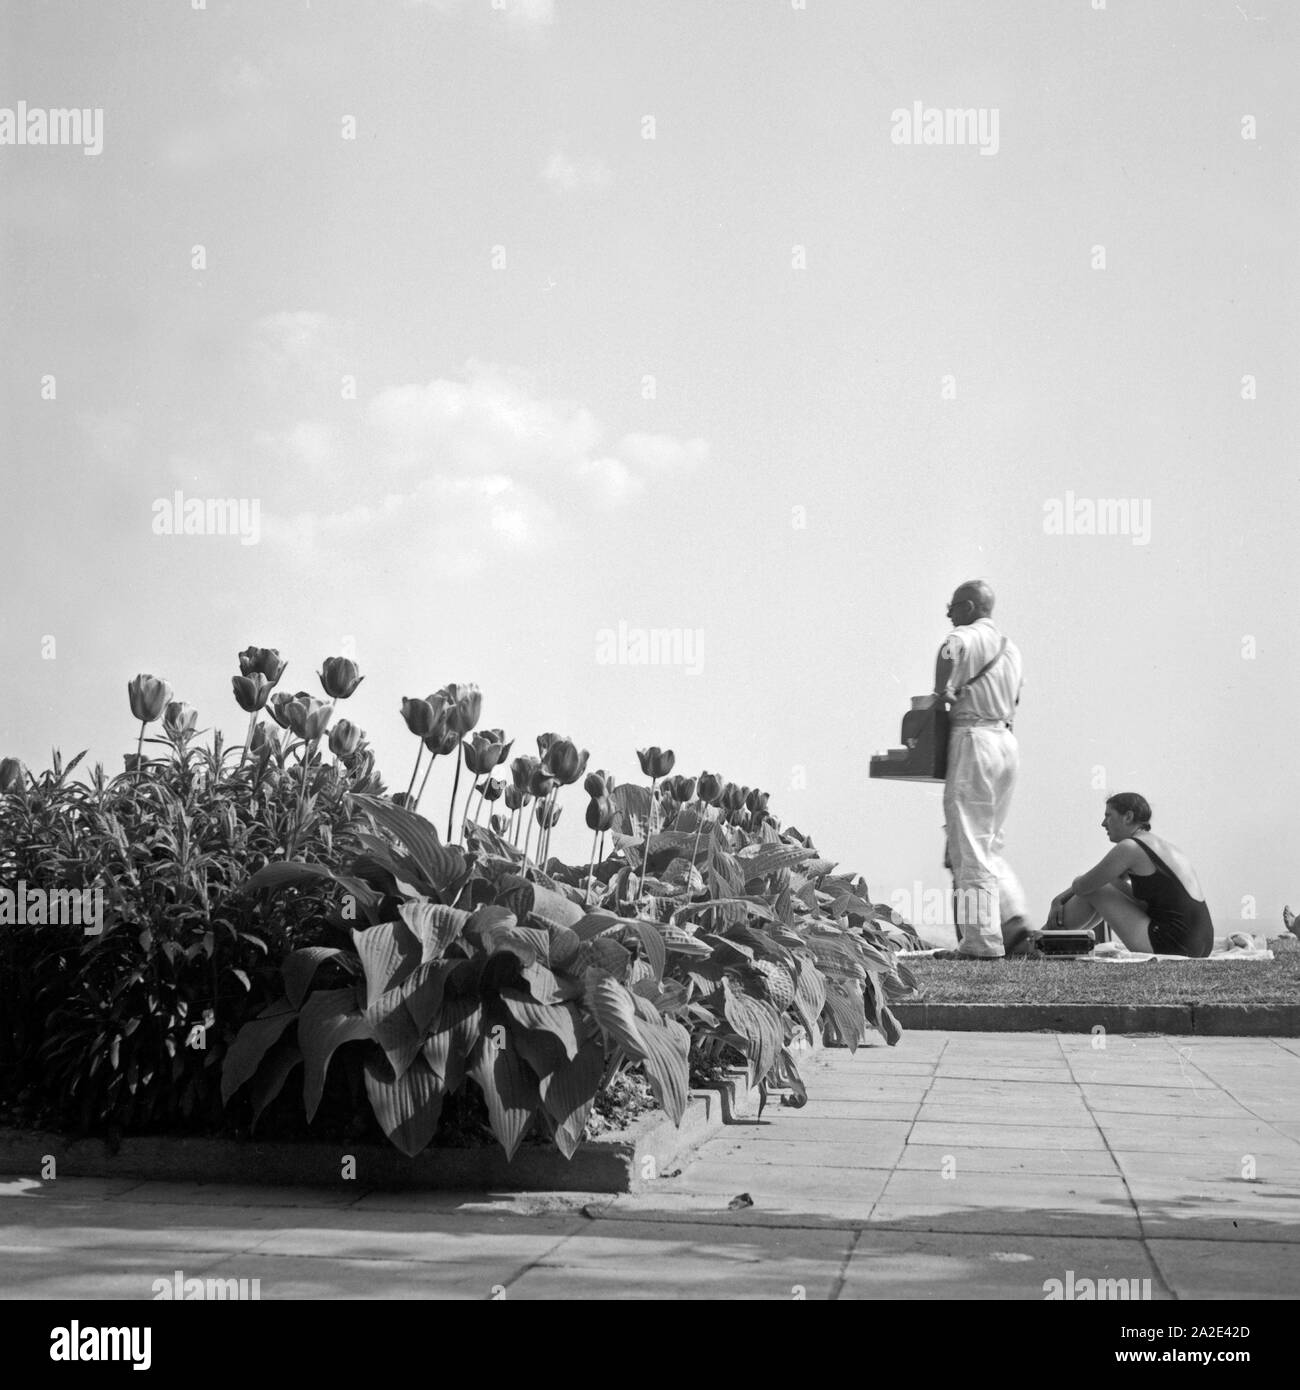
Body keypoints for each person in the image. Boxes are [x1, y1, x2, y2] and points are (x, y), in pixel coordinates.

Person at [931, 580, 1028, 960]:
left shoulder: (960, 638)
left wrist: (943, 692)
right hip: (1006, 741)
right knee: (990, 843)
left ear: (968, 607)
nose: (949, 614)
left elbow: (945, 673)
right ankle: (1015, 925)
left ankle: (980, 943)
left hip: (973, 738)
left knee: (968, 846)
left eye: (952, 606)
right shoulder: (1011, 648)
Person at [1038, 792, 1214, 957]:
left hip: (1173, 943)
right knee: (1106, 883)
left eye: (1109, 816)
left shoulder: (1130, 847)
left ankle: (1038, 941)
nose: (1103, 823)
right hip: (1202, 942)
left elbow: (1084, 886)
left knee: (1096, 889)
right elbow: (1105, 880)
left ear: (1128, 817)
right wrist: (1059, 899)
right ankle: (1048, 939)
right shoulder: (1162, 846)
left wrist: (1064, 894)